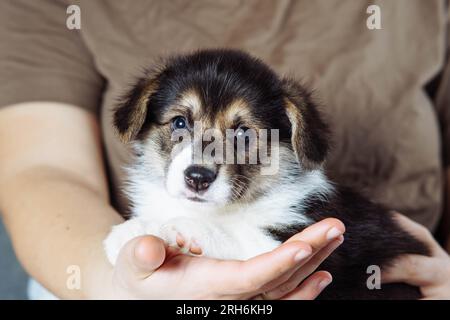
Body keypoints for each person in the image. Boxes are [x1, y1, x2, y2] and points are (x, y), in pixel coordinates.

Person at [0, 0, 449, 299]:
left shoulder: (293, 211)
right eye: (180, 123)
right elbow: (41, 168)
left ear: (292, 143)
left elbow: (261, 257)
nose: (203, 163)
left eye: (243, 137)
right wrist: (113, 285)